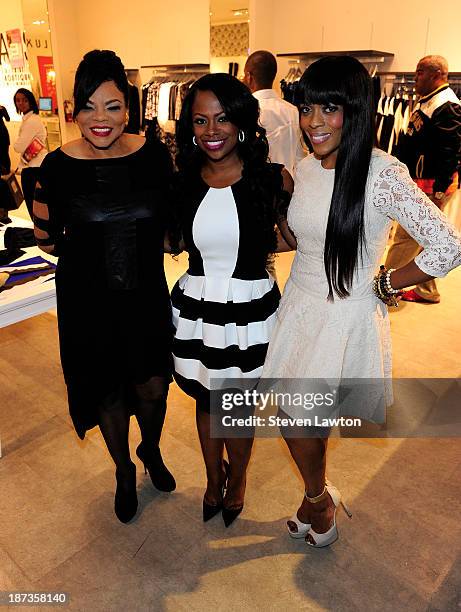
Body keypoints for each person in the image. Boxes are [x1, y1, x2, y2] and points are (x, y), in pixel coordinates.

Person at [261, 56, 461, 548]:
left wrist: (390, 283)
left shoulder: (382, 172)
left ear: (356, 109)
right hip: (300, 303)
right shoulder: (305, 167)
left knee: (299, 418)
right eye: (307, 108)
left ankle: (317, 500)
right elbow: (302, 239)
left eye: (329, 108)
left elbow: (449, 245)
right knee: (295, 416)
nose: (313, 122)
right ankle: (317, 495)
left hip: (343, 313)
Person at [33, 50, 175, 523]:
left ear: (128, 107)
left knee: (154, 387)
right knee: (109, 393)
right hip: (88, 302)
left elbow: (172, 222)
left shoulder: (154, 156)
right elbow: (44, 239)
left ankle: (150, 450)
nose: (100, 119)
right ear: (73, 109)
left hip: (146, 298)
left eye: (112, 106)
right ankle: (123, 468)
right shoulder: (55, 168)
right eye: (89, 106)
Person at [171, 73, 293, 527]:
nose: (212, 131)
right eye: (201, 120)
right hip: (200, 307)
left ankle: (237, 480)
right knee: (206, 401)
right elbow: (170, 242)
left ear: (241, 121)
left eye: (222, 118)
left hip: (250, 309)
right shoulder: (183, 182)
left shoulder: (271, 179)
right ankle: (211, 479)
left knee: (236, 406)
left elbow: (291, 239)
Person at [386, 55, 461, 303]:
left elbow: (450, 150)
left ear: (436, 74)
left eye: (419, 72)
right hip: (420, 178)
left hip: (431, 182)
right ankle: (427, 290)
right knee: (422, 236)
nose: (415, 78)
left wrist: (439, 190)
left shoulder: (447, 104)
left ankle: (386, 287)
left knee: (405, 236)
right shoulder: (428, 101)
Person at [243, 50, 305, 178]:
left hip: (258, 186)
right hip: (289, 186)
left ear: (249, 76)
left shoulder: (247, 110)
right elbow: (299, 158)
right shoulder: (292, 110)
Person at [13, 89, 48, 220]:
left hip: (34, 170)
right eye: (17, 100)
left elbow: (18, 147)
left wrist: (19, 141)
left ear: (31, 101)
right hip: (34, 167)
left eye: (24, 100)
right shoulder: (30, 119)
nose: (21, 103)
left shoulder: (32, 121)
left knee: (35, 210)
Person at [0, 104, 12, 222]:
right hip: (3, 139)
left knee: (5, 183)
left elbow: (8, 119)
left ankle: (4, 214)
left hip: (3, 141)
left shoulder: (2, 108)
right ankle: (3, 214)